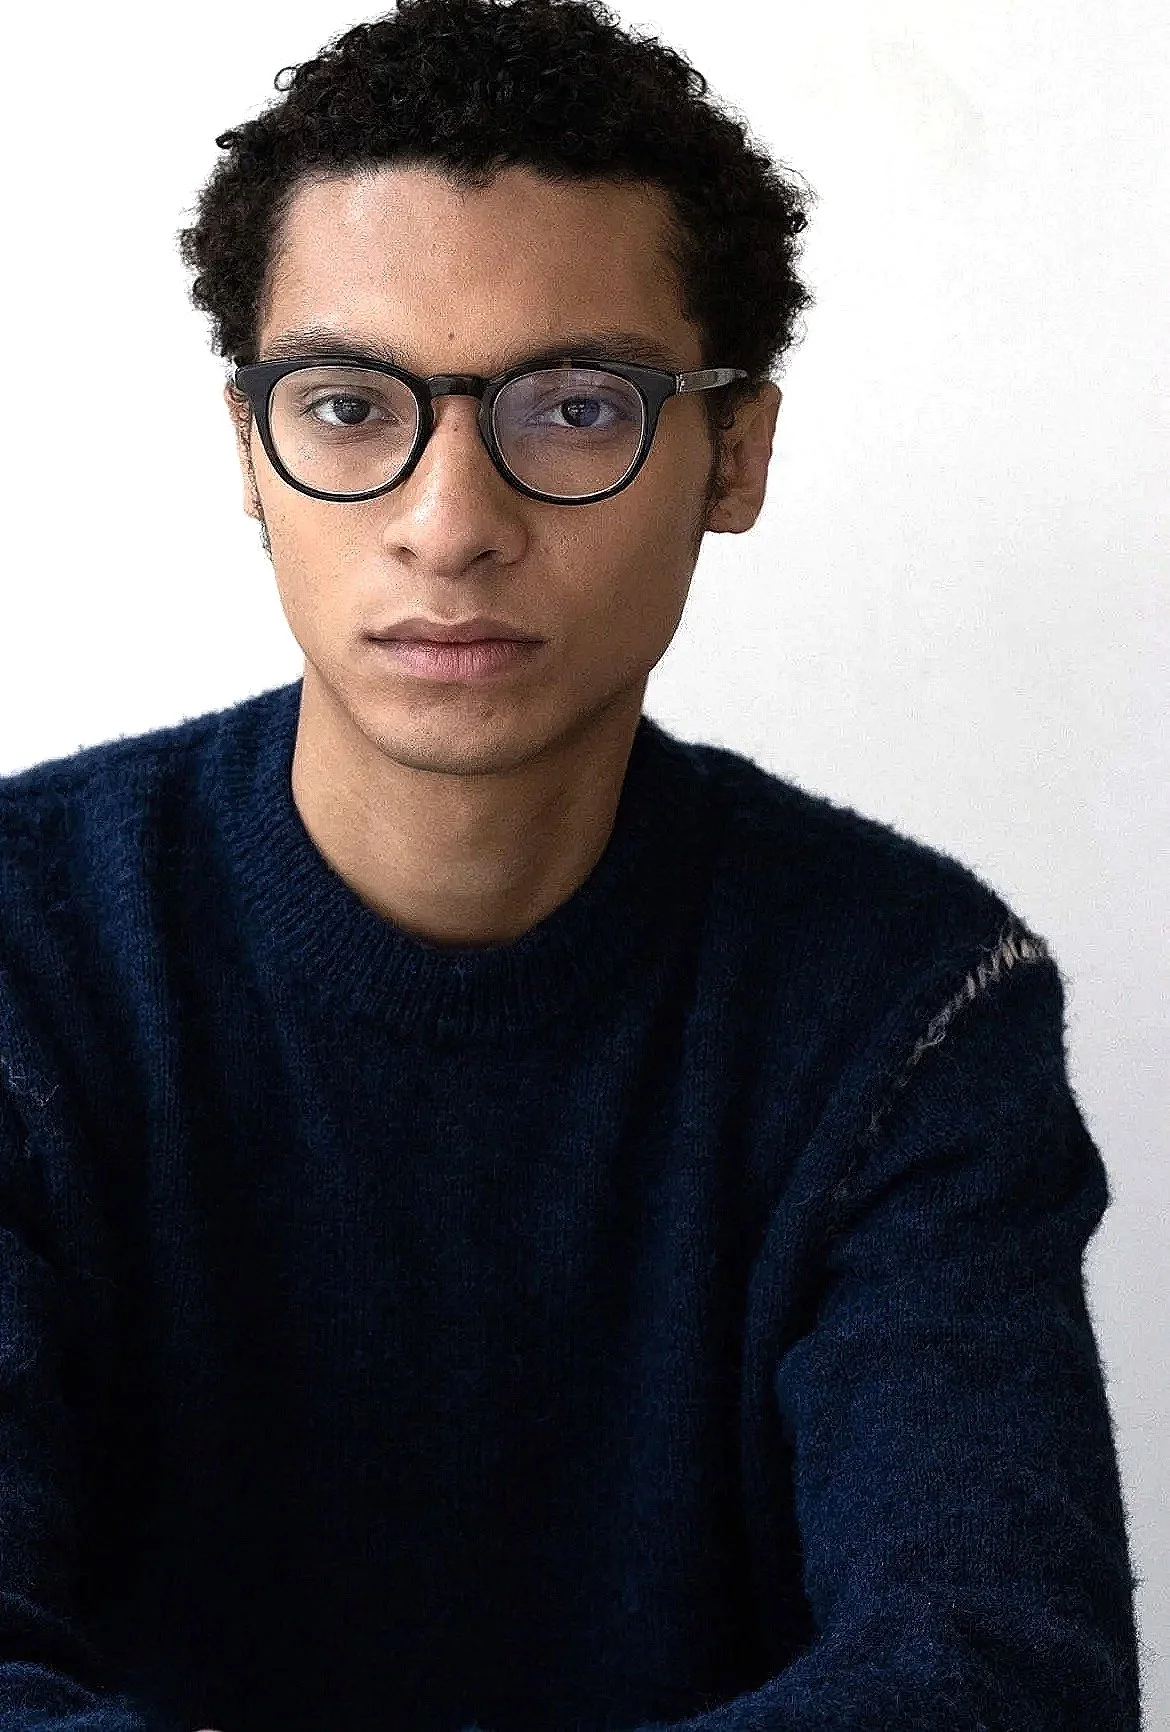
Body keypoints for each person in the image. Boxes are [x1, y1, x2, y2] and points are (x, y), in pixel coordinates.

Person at [0, 0, 1143, 1727]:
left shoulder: (910, 1009)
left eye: (574, 406)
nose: (449, 519)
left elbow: (1000, 1666)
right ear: (248, 449)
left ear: (733, 454)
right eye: (342, 402)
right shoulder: (25, 950)